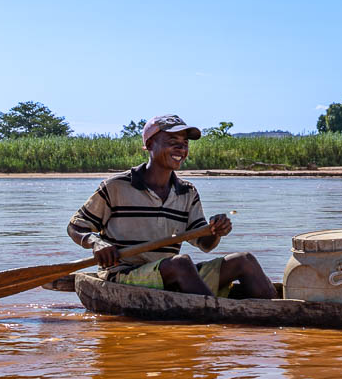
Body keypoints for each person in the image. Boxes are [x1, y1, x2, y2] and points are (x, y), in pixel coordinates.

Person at [67, 114, 277, 299]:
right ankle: (213, 319)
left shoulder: (187, 192)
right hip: (125, 275)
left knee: (244, 260)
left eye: (185, 143)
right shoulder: (116, 186)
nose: (181, 148)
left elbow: (204, 243)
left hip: (171, 275)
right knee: (180, 263)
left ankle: (276, 316)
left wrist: (216, 230)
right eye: (172, 141)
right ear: (149, 145)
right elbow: (76, 226)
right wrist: (95, 243)